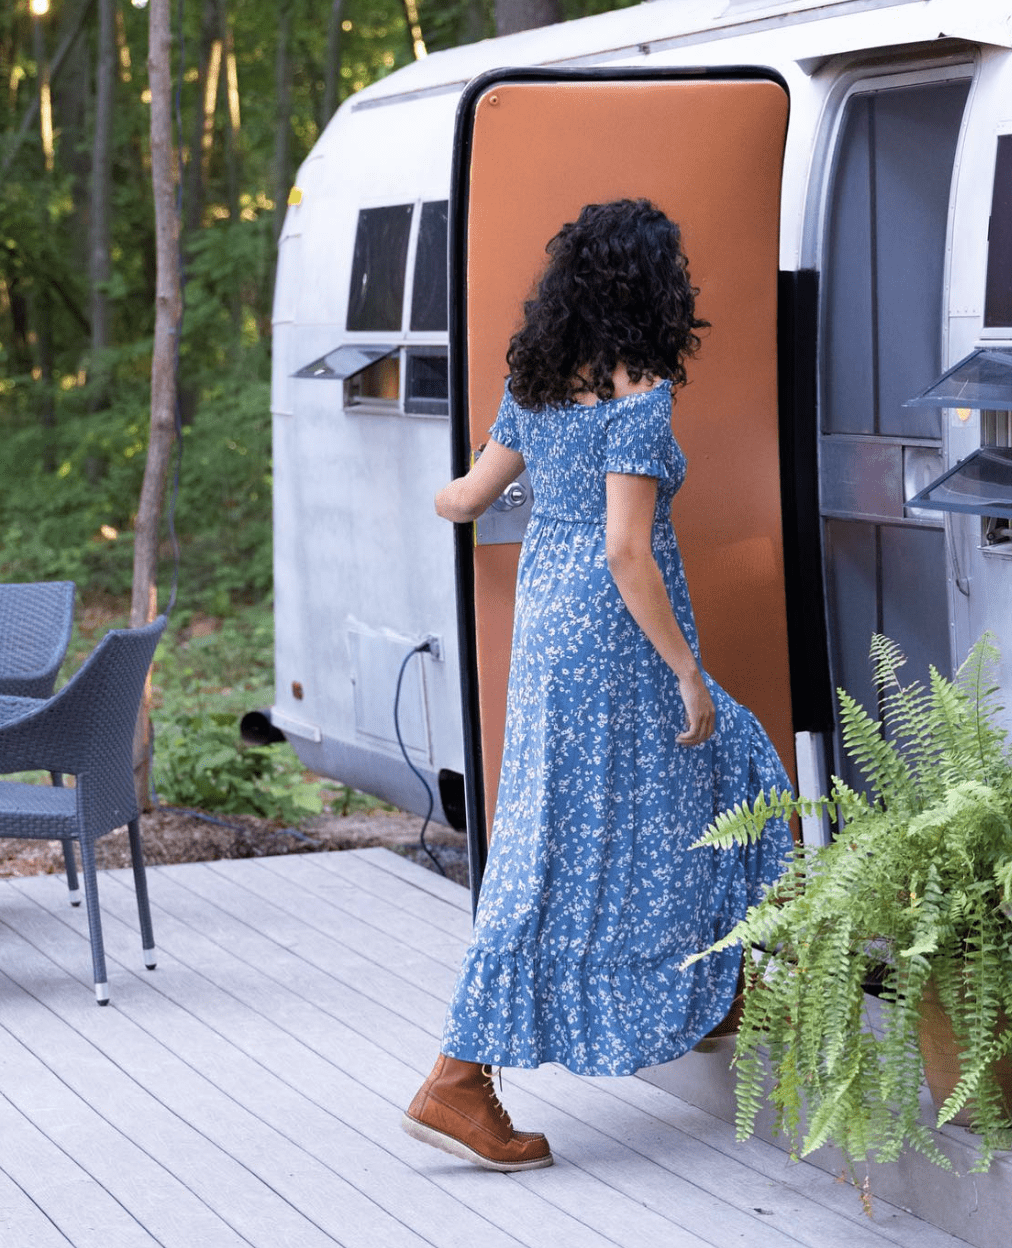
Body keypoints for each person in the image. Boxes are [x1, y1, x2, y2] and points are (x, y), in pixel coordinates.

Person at [402, 199, 792, 1172]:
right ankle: (459, 1074)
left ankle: (708, 988)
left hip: (547, 631)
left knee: (583, 822)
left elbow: (463, 499)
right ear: (651, 289)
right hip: (616, 636)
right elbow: (628, 550)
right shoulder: (637, 395)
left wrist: (440, 487)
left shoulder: (530, 386)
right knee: (725, 769)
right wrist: (687, 675)